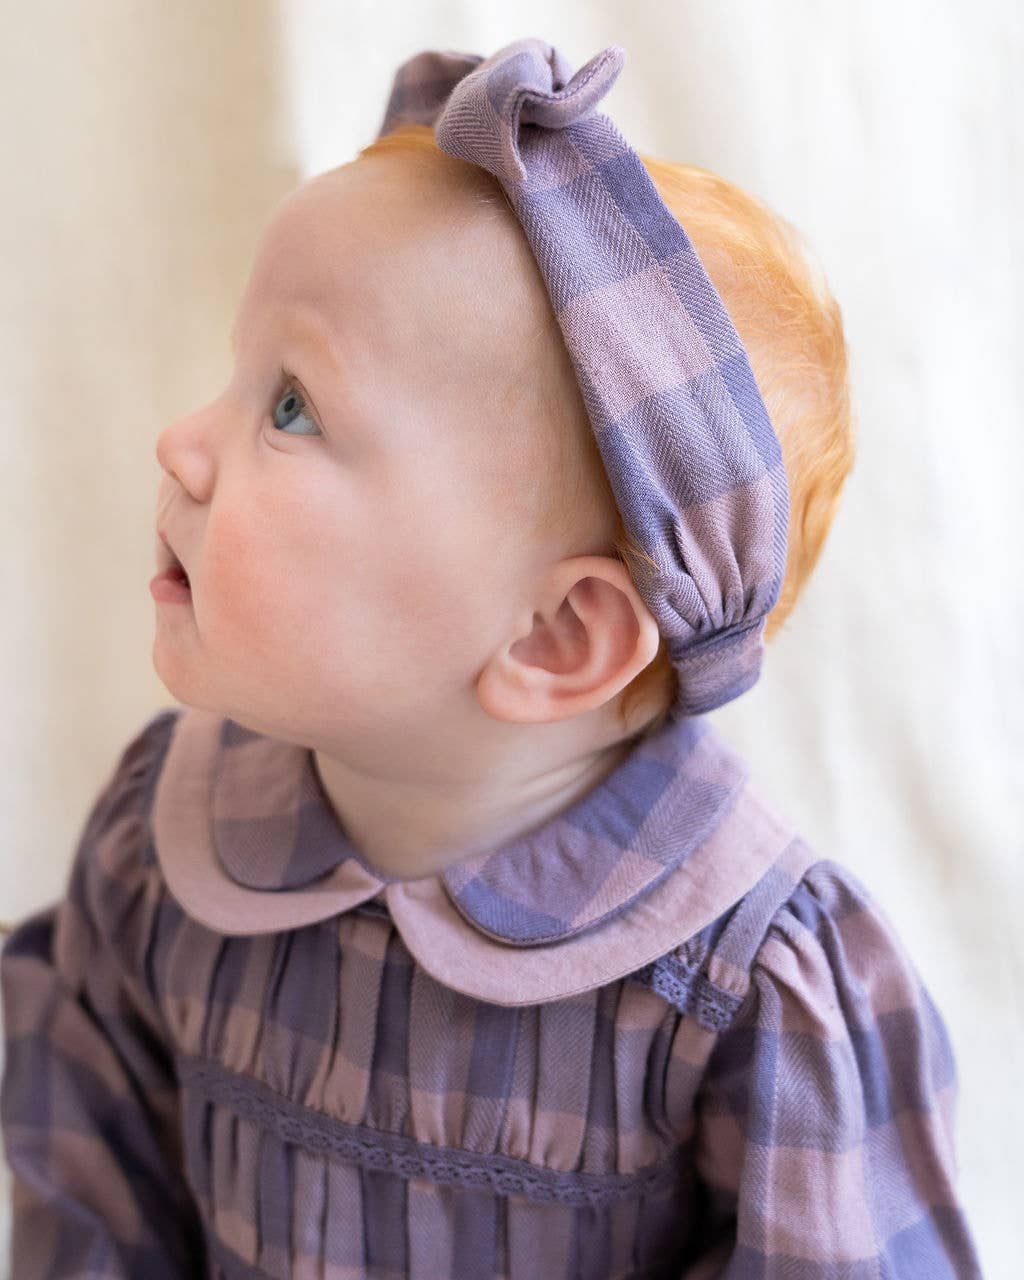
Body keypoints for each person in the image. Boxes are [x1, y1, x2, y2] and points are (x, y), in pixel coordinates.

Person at [0, 37, 984, 1279]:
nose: (184, 442)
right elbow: (94, 1213)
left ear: (555, 635)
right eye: (239, 375)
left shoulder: (743, 990)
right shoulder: (166, 850)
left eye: (291, 405)